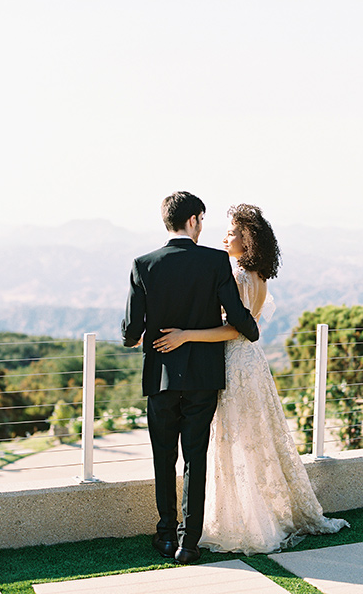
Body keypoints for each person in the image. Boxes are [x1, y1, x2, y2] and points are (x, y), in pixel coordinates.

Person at [153, 204, 349, 555]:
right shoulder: (258, 273)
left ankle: (243, 521)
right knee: (254, 439)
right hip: (253, 365)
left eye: (230, 232)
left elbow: (237, 330)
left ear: (246, 239)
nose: (224, 237)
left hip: (234, 362)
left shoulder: (240, 275)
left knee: (233, 441)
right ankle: (255, 512)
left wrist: (186, 335)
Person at [121, 192, 259, 564]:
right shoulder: (215, 262)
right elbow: (238, 317)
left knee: (162, 457)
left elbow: (133, 330)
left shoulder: (143, 264)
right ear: (195, 219)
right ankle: (189, 543)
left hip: (161, 377)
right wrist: (251, 328)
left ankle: (165, 536)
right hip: (203, 376)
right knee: (194, 458)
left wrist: (131, 336)